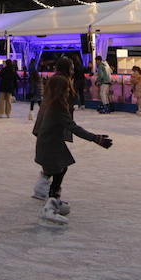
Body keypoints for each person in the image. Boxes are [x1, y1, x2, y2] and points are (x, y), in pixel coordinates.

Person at [32, 58, 113, 224]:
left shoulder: (50, 102)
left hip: (49, 140)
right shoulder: (57, 106)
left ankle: (51, 197)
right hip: (50, 142)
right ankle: (50, 206)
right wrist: (96, 139)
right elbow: (73, 127)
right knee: (60, 168)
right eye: (67, 89)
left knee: (61, 167)